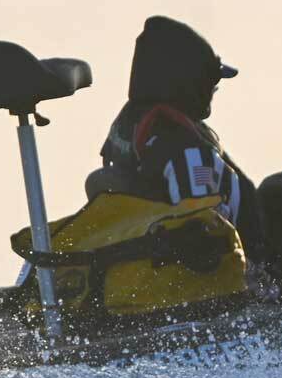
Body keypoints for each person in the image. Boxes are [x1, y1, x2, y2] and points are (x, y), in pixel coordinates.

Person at [94, 15, 265, 256]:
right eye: (211, 84)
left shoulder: (129, 127)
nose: (213, 91)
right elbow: (201, 229)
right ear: (190, 84)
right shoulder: (189, 151)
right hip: (232, 278)